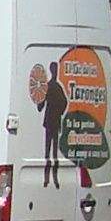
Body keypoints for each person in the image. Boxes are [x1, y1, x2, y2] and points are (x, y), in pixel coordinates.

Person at [39, 60, 69, 188]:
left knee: (53, 151)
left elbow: (64, 102)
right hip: (52, 120)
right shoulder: (51, 86)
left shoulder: (55, 87)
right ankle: (47, 179)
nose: (55, 72)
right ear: (52, 71)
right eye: (54, 70)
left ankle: (54, 179)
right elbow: (41, 104)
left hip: (54, 120)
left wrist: (59, 111)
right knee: (48, 151)